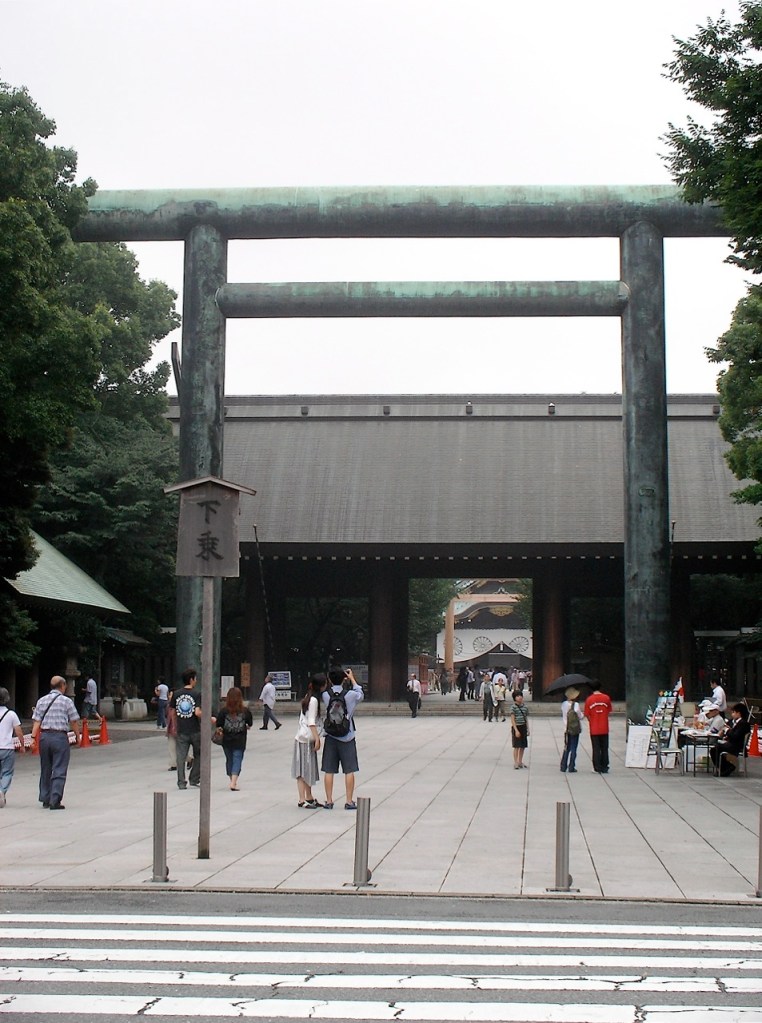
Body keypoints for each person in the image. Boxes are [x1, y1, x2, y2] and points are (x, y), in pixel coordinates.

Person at [31, 676, 81, 810]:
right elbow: (74, 721)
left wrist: (33, 737)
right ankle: (55, 799)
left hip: (44, 737)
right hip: (59, 737)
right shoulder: (67, 701)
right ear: (63, 686)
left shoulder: (41, 700)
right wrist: (77, 735)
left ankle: (45, 797)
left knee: (46, 768)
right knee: (59, 767)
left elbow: (37, 721)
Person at [321, 667, 364, 810]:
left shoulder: (326, 695)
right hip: (347, 735)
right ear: (344, 678)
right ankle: (349, 800)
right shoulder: (350, 695)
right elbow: (360, 694)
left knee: (329, 770)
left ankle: (328, 800)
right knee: (349, 770)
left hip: (331, 735)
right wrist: (352, 679)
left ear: (330, 680)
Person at [212, 686, 253, 790]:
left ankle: (232, 780)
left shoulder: (224, 711)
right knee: (237, 759)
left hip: (227, 739)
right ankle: (233, 782)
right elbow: (250, 723)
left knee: (229, 759)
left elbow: (219, 724)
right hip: (240, 740)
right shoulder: (245, 711)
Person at [292, 674, 323, 808]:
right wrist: (317, 739)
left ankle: (308, 797)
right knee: (303, 769)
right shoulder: (314, 700)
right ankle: (301, 798)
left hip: (303, 737)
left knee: (307, 768)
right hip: (306, 738)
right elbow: (311, 722)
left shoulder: (308, 697)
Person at [170, 667, 202, 789]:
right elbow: (197, 712)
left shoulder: (176, 694)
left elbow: (173, 711)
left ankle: (181, 782)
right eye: (195, 679)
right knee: (199, 755)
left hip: (181, 729)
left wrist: (175, 725)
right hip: (194, 729)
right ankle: (194, 778)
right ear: (191, 679)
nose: (196, 681)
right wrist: (208, 717)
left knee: (181, 757)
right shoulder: (197, 694)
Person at [0, 687, 26, 808]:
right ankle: (2, 791)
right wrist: (22, 744)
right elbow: (18, 731)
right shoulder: (11, 714)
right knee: (7, 772)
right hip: (7, 748)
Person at [710, 703, 751, 776]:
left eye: (733, 712)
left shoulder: (743, 724)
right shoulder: (734, 722)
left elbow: (735, 736)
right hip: (731, 743)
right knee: (715, 747)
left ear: (739, 713)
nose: (732, 714)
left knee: (715, 749)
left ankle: (726, 768)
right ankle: (725, 767)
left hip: (736, 746)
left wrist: (727, 730)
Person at [584, 683, 613, 774]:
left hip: (594, 728)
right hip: (604, 727)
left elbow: (587, 714)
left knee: (596, 748)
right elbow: (609, 710)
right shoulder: (606, 698)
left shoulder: (589, 700)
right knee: (604, 747)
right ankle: (605, 766)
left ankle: (597, 767)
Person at [560, 686, 585, 773]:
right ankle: (571, 766)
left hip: (566, 729)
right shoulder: (576, 705)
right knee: (574, 747)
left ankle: (563, 766)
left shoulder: (563, 704)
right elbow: (580, 716)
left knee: (566, 747)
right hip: (575, 729)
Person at [510, 690, 529, 768]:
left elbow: (526, 718)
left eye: (520, 695)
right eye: (517, 696)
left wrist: (528, 729)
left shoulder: (525, 707)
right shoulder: (513, 707)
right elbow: (512, 720)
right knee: (517, 746)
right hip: (517, 727)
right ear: (514, 698)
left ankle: (520, 761)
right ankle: (516, 762)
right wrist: (516, 730)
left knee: (523, 746)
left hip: (523, 726)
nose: (520, 697)